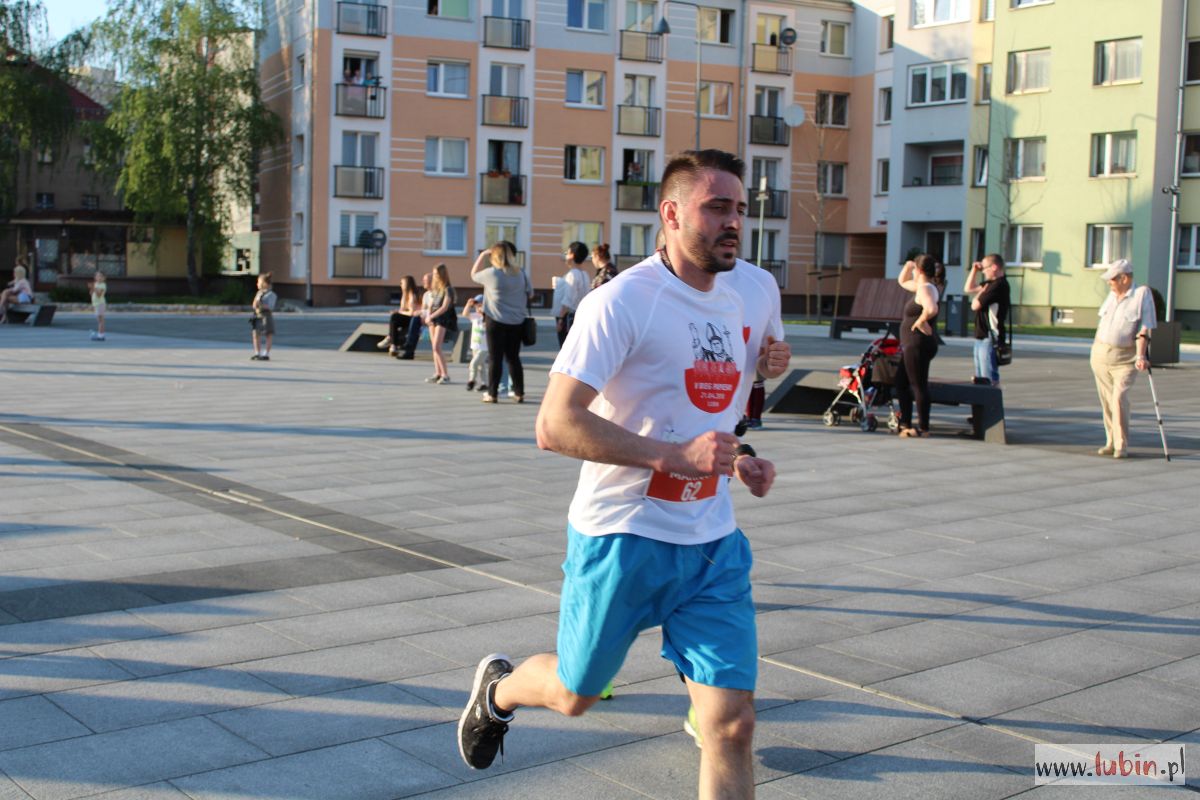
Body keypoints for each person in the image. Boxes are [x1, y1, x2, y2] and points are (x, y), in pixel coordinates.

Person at [458, 149, 780, 800]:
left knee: (732, 725)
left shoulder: (748, 291)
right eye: (717, 207)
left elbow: (706, 411)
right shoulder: (622, 302)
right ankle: (498, 691)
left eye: (741, 210)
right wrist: (674, 457)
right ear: (671, 214)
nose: (734, 223)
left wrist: (739, 456)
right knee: (576, 693)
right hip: (622, 538)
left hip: (711, 542)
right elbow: (554, 424)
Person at [1090, 258, 1155, 459]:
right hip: (1100, 356)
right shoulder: (1112, 295)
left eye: (1112, 279)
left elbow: (1145, 328)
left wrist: (1141, 355)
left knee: (1118, 399)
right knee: (1107, 401)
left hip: (1125, 359)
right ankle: (1110, 441)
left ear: (1124, 278)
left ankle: (1121, 445)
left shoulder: (1141, 294)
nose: (1109, 282)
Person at [470, 240, 532, 404]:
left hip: (495, 321)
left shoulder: (492, 273)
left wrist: (482, 255)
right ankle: (519, 393)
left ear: (494, 256)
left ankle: (492, 394)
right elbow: (530, 293)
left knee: (495, 358)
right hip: (517, 321)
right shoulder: (521, 274)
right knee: (513, 358)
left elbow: (473, 275)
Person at [894, 255, 941, 437]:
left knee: (918, 385)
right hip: (913, 344)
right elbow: (902, 281)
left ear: (919, 271)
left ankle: (923, 428)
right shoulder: (923, 286)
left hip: (917, 344)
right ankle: (905, 424)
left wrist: (921, 321)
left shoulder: (925, 289)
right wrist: (907, 266)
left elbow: (932, 309)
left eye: (914, 269)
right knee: (901, 382)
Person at [964, 253, 1010, 387]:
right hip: (982, 335)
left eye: (984, 268)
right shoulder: (990, 285)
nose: (983, 271)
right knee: (980, 379)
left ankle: (993, 400)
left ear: (994, 267)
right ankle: (983, 400)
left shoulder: (998, 285)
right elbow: (968, 288)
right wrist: (974, 270)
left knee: (988, 378)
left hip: (991, 336)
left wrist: (982, 291)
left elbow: (975, 305)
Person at [424, 263, 456, 384]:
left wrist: (431, 316)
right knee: (434, 347)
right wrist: (428, 316)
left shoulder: (448, 289)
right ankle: (437, 373)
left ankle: (445, 375)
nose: (435, 276)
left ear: (442, 274)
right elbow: (431, 305)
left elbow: (444, 307)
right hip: (433, 319)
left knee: (437, 347)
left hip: (443, 319)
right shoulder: (435, 289)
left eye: (437, 274)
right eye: (434, 274)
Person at [553, 241, 590, 346]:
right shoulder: (585, 274)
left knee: (565, 348)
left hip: (567, 317)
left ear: (572, 255)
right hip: (579, 316)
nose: (566, 256)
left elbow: (568, 300)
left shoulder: (572, 275)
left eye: (567, 253)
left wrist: (560, 319)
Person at [379, 275, 418, 357]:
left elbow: (411, 313)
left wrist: (400, 313)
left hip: (412, 319)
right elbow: (402, 309)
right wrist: (398, 312)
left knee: (394, 317)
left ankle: (391, 340)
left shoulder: (412, 296)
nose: (400, 285)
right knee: (394, 318)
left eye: (402, 283)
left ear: (407, 284)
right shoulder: (405, 295)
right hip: (407, 317)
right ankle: (392, 343)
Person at [250, 272, 277, 361]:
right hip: (257, 315)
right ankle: (257, 353)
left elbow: (270, 307)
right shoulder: (259, 293)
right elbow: (254, 304)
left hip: (266, 316)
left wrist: (261, 304)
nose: (257, 284)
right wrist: (255, 304)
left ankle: (266, 353)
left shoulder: (271, 294)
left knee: (268, 334)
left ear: (265, 283)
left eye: (259, 282)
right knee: (255, 334)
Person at [463, 294, 487, 391]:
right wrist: (468, 305)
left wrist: (484, 313)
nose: (478, 308)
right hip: (475, 346)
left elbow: (486, 325)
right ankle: (485, 383)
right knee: (481, 365)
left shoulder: (488, 317)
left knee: (473, 364)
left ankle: (471, 381)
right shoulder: (475, 316)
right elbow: (465, 314)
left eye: (480, 305)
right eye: (476, 306)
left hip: (484, 348)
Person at [90, 271, 107, 341]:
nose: (99, 277)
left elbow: (99, 295)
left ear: (104, 278)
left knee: (100, 321)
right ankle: (101, 335)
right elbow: (92, 293)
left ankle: (100, 336)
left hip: (100, 304)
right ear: (95, 278)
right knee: (99, 321)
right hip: (96, 304)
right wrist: (92, 289)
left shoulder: (103, 285)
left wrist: (94, 288)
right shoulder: (96, 284)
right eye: (97, 276)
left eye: (101, 276)